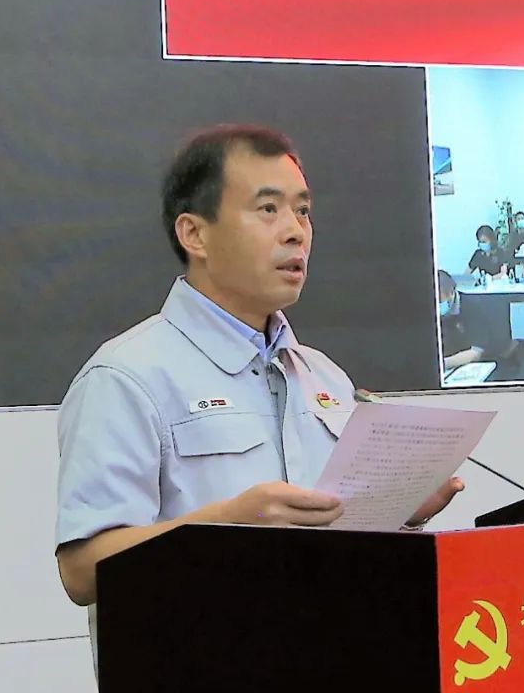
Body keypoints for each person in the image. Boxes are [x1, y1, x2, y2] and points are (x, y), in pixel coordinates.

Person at [53, 125, 465, 651]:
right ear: (194, 234)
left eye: (303, 211)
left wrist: (397, 510)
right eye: (268, 209)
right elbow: (81, 571)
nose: (295, 232)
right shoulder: (127, 377)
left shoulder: (324, 376)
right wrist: (228, 525)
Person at [437, 270, 486, 369]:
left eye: (439, 300)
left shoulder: (472, 306)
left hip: (465, 363)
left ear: (451, 292)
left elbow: (477, 351)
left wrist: (443, 363)